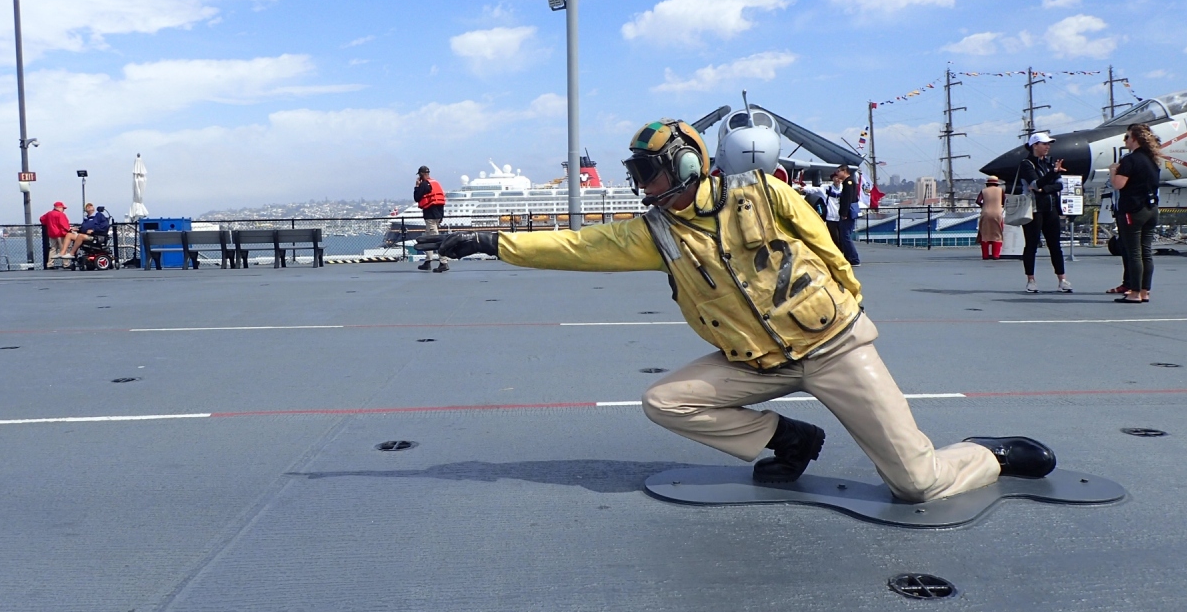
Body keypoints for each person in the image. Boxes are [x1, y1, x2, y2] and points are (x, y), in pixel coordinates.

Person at [439, 119, 1056, 503]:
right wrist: (491, 242)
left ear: (684, 164)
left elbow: (824, 243)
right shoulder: (655, 233)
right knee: (665, 402)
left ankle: (988, 455)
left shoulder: (761, 192)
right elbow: (576, 246)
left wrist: (848, 301)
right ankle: (789, 438)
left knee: (918, 485)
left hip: (833, 348)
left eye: (647, 171)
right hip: (756, 363)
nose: (642, 184)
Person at [1109, 123, 1162, 304]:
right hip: (1151, 209)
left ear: (1134, 139)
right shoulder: (1152, 160)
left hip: (1133, 209)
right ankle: (1145, 291)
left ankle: (1135, 292)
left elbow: (1118, 184)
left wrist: (1113, 171)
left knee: (1134, 252)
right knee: (1146, 251)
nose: (1125, 140)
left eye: (1127, 137)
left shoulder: (1130, 160)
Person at [1015, 132, 1072, 293]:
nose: (1048, 147)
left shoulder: (1049, 163)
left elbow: (1059, 185)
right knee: (1031, 244)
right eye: (1044, 144)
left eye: (1049, 144)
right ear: (1035, 145)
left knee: (1055, 245)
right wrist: (1051, 176)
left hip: (1050, 207)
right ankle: (1031, 280)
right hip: (1033, 209)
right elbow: (1035, 183)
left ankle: (1062, 280)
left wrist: (1044, 189)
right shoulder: (1026, 164)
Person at [822, 165, 861, 266]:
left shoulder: (848, 183)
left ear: (844, 171)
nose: (837, 173)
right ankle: (848, 257)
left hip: (848, 214)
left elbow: (847, 199)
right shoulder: (848, 182)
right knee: (844, 237)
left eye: (839, 171)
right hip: (847, 213)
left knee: (845, 236)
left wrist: (844, 213)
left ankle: (854, 259)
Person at [413, 165, 449, 273]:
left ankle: (443, 262)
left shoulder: (424, 184)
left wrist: (417, 186)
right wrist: (441, 217)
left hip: (430, 216)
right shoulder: (435, 183)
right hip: (437, 216)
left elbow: (416, 197)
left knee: (436, 240)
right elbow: (441, 202)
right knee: (428, 239)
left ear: (421, 174)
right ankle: (428, 261)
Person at [975, 175, 1005, 260]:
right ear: (997, 184)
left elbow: (978, 201)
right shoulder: (1000, 190)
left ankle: (985, 255)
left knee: (985, 234)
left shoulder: (984, 191)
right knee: (997, 234)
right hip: (997, 213)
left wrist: (983, 206)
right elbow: (1004, 201)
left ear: (987, 184)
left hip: (985, 213)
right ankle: (996, 255)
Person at [38, 201, 73, 266]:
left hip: (52, 234)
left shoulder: (49, 214)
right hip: (60, 234)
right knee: (63, 248)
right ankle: (66, 264)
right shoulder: (61, 214)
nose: (63, 210)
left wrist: (47, 223)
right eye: (63, 208)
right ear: (58, 207)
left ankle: (50, 264)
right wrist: (69, 230)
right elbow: (64, 224)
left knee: (53, 249)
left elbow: (42, 219)